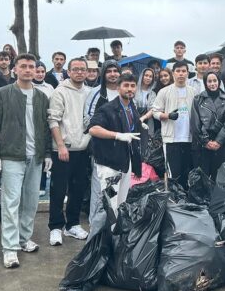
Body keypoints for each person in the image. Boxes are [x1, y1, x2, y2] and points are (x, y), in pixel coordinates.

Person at [0, 54, 52, 269]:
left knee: (31, 201)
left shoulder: (41, 97)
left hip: (36, 155)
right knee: (11, 202)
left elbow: (45, 127)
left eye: (31, 66)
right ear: (15, 69)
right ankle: (10, 248)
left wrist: (48, 153)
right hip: (12, 155)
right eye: (23, 66)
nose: (28, 70)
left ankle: (24, 238)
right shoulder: (1, 94)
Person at [47, 57, 92, 245]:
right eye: (76, 69)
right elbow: (53, 120)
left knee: (78, 188)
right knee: (58, 189)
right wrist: (60, 145)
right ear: (69, 71)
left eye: (83, 69)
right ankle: (56, 227)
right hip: (64, 149)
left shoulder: (90, 92)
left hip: (83, 148)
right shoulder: (60, 92)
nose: (80, 72)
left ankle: (72, 224)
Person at [87, 74, 142, 224]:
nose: (129, 89)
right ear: (118, 88)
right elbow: (93, 129)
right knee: (107, 203)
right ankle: (99, 240)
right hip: (110, 165)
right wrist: (117, 135)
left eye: (132, 86)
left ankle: (114, 239)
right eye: (126, 85)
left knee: (120, 203)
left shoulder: (132, 108)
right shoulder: (108, 108)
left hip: (125, 162)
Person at [153, 62, 196, 189]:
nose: (181, 74)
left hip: (190, 139)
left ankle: (186, 203)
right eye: (178, 71)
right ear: (173, 73)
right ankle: (174, 200)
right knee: (173, 174)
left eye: (184, 71)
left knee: (188, 173)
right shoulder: (164, 91)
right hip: (171, 139)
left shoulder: (194, 92)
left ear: (188, 73)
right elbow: (155, 111)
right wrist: (167, 116)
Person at [191, 72, 225, 178]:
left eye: (215, 81)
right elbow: (195, 123)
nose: (212, 84)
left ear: (219, 82)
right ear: (205, 83)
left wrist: (218, 141)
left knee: (218, 176)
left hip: (221, 142)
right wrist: (206, 142)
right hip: (203, 143)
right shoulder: (198, 99)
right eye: (209, 81)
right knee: (203, 176)